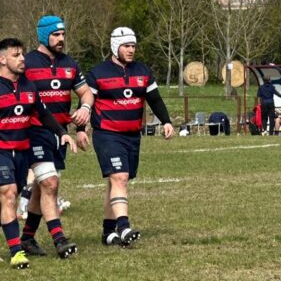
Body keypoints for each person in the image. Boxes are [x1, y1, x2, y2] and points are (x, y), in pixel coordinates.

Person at [85, 27, 175, 247]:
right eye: (126, 46)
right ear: (115, 47)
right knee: (120, 177)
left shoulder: (143, 71)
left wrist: (167, 121)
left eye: (133, 46)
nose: (131, 50)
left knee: (116, 182)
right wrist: (80, 129)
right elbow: (85, 103)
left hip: (132, 136)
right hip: (107, 134)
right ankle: (124, 227)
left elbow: (154, 99)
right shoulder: (98, 73)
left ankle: (108, 232)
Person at [20, 16, 94, 259]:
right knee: (50, 183)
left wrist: (85, 110)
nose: (61, 39)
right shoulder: (27, 62)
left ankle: (27, 238)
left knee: (43, 189)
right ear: (43, 35)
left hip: (60, 135)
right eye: (55, 34)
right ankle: (59, 240)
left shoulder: (70, 63)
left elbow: (85, 92)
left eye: (63, 34)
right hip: (33, 131)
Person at [0, 37, 76, 270]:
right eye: (16, 55)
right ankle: (16, 252)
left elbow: (43, 115)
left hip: (22, 151)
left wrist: (62, 132)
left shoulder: (28, 86)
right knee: (9, 193)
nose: (22, 59)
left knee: (23, 192)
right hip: (2, 151)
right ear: (2, 59)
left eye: (22, 54)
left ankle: (26, 238)